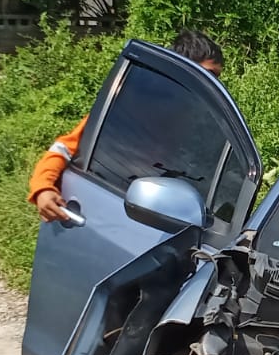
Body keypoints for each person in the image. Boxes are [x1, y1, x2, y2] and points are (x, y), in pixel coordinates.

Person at [27, 28, 225, 222]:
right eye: (208, 75)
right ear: (184, 69)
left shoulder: (198, 120)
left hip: (148, 215)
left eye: (216, 78)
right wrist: (43, 188)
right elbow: (64, 148)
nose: (213, 84)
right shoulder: (129, 103)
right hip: (102, 210)